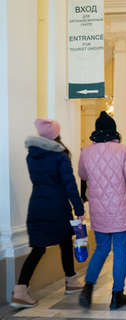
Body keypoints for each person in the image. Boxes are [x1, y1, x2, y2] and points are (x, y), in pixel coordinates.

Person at [10, 119, 85, 308]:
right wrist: (79, 208)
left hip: (37, 205)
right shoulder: (60, 156)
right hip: (57, 206)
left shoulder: (32, 155)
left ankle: (21, 289)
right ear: (56, 135)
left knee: (39, 248)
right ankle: (71, 281)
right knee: (65, 241)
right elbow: (69, 185)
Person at [78, 111, 126, 310]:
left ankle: (88, 288)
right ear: (113, 130)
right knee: (120, 251)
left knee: (101, 248)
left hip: (98, 210)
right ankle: (117, 295)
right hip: (120, 209)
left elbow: (82, 174)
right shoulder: (122, 150)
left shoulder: (86, 152)